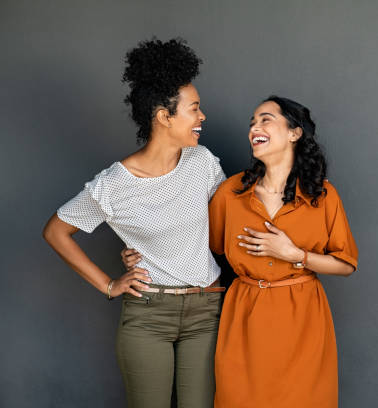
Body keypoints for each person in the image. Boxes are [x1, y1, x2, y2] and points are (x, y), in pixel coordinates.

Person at [124, 96, 358, 407]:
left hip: (303, 318)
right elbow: (196, 243)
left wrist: (295, 255)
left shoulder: (322, 195)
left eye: (265, 119)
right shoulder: (231, 193)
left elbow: (345, 264)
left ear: (294, 133)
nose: (254, 128)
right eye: (252, 123)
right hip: (245, 316)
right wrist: (139, 250)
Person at [42, 38, 225, 408]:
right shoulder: (113, 185)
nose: (202, 117)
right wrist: (109, 284)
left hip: (207, 310)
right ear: (164, 116)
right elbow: (56, 232)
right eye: (194, 109)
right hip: (148, 318)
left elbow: (227, 225)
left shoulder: (203, 163)